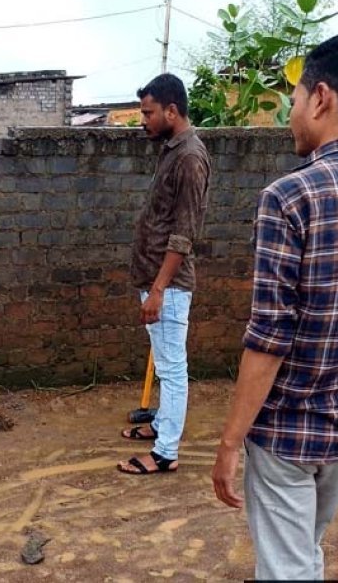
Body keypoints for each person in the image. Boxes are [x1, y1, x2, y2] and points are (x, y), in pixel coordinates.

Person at [211, 32, 338, 580]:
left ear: (320, 98)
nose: (290, 113)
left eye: (293, 98)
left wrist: (229, 442)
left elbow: (269, 335)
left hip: (286, 436)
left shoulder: (289, 197)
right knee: (302, 554)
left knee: (288, 570)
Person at [117, 73, 211, 475]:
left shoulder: (189, 157)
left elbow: (184, 234)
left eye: (148, 112)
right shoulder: (172, 149)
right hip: (157, 281)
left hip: (167, 285)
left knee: (173, 368)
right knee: (167, 359)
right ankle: (160, 427)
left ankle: (165, 453)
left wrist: (158, 289)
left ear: (172, 111)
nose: (143, 120)